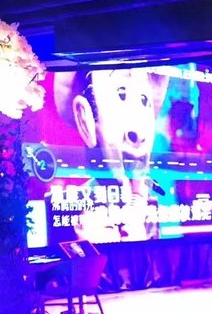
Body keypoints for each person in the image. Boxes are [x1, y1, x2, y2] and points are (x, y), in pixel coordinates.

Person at [54, 68, 168, 242]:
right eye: (121, 95)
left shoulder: (152, 199)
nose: (139, 133)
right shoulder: (77, 200)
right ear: (85, 119)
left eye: (144, 101)